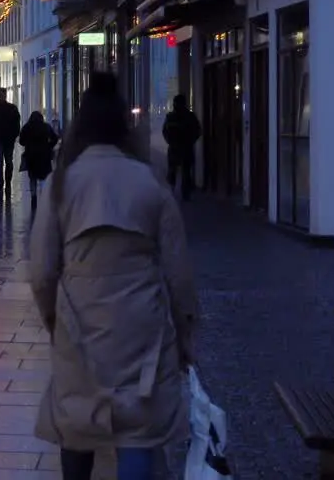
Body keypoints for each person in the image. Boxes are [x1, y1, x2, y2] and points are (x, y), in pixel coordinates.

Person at [28, 72, 198, 480]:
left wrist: (55, 319)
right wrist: (186, 338)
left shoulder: (61, 184)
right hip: (141, 325)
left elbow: (41, 270)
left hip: (79, 322)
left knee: (77, 419)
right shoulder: (149, 182)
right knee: (138, 428)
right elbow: (179, 274)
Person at [162, 94, 202, 200]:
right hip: (186, 148)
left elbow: (165, 132)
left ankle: (171, 192)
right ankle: (185, 194)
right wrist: (190, 141)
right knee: (186, 171)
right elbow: (197, 131)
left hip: (175, 148)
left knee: (172, 171)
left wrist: (170, 141)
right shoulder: (190, 116)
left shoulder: (170, 117)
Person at [18, 111, 59, 211]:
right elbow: (55, 138)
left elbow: (21, 141)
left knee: (32, 178)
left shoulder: (27, 127)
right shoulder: (46, 127)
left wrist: (28, 144)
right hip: (44, 156)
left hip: (31, 156)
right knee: (44, 177)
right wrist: (49, 146)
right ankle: (44, 195)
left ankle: (34, 197)